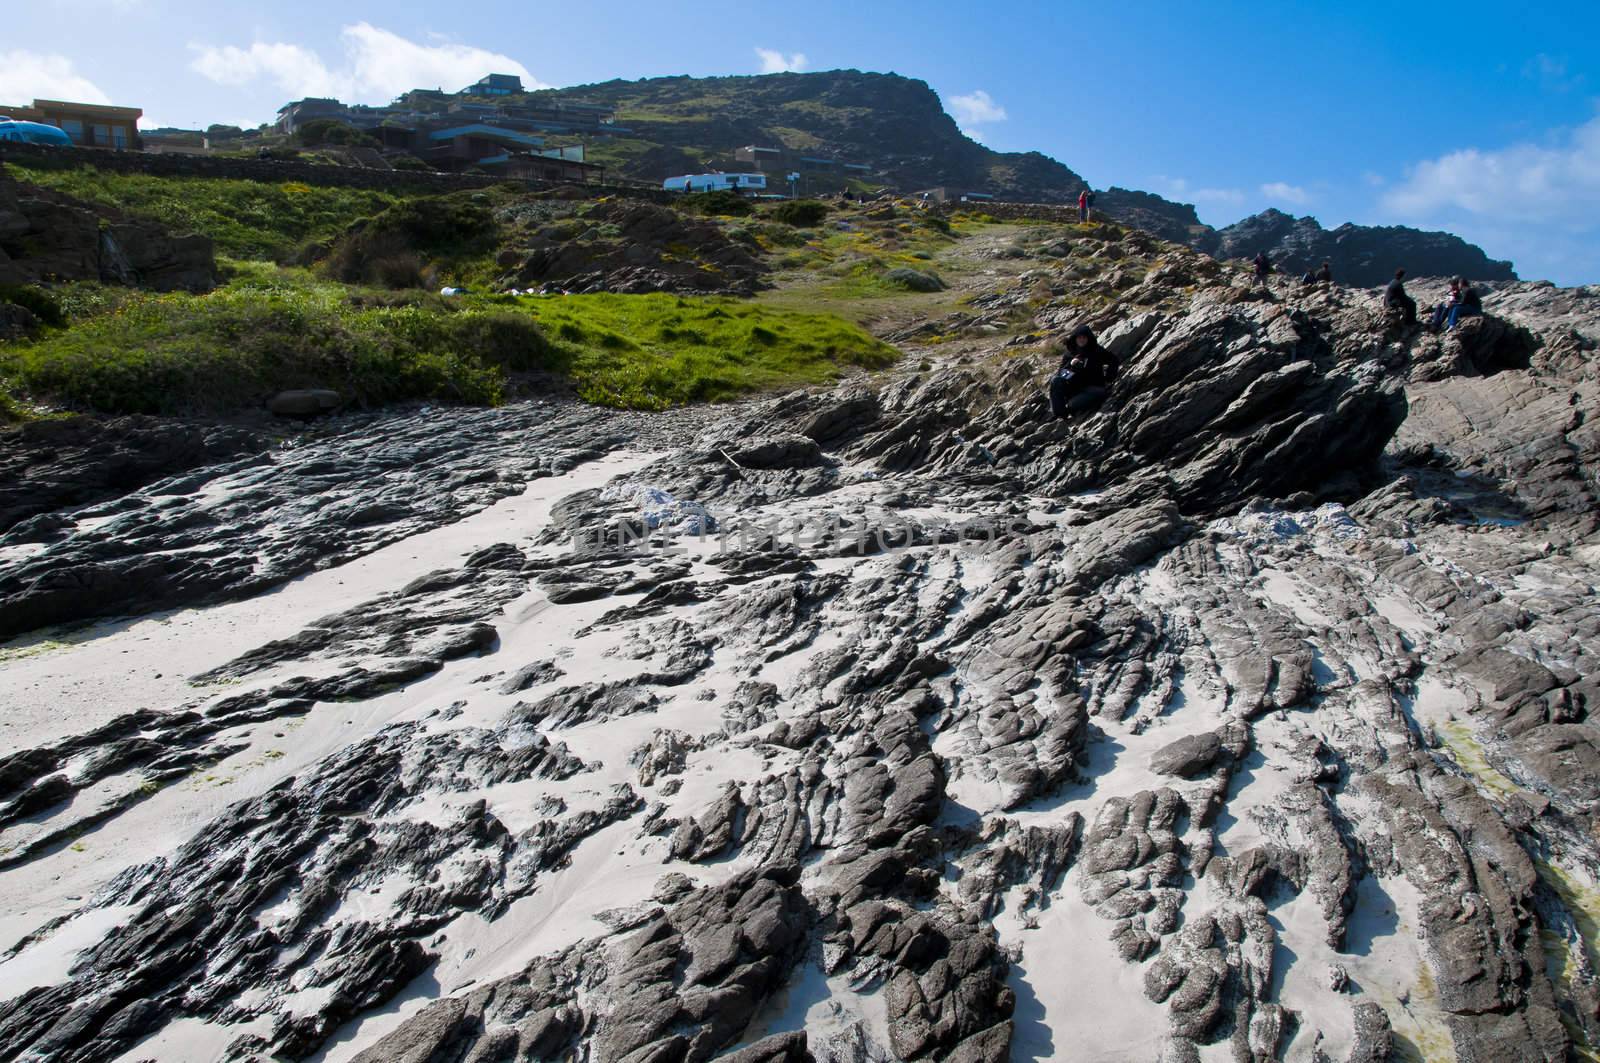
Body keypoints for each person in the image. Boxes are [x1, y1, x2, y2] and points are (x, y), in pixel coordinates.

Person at [1048, 324, 1120, 419]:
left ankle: (1068, 410)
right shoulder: (1070, 353)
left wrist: (1108, 379)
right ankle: (1059, 416)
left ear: (1088, 338)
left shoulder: (1096, 350)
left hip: (1093, 388)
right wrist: (1071, 365)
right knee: (1055, 380)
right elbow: (1062, 375)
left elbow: (1114, 360)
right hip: (1075, 388)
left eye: (1084, 337)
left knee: (1071, 405)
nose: (1081, 340)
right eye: (1079, 337)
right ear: (1075, 338)